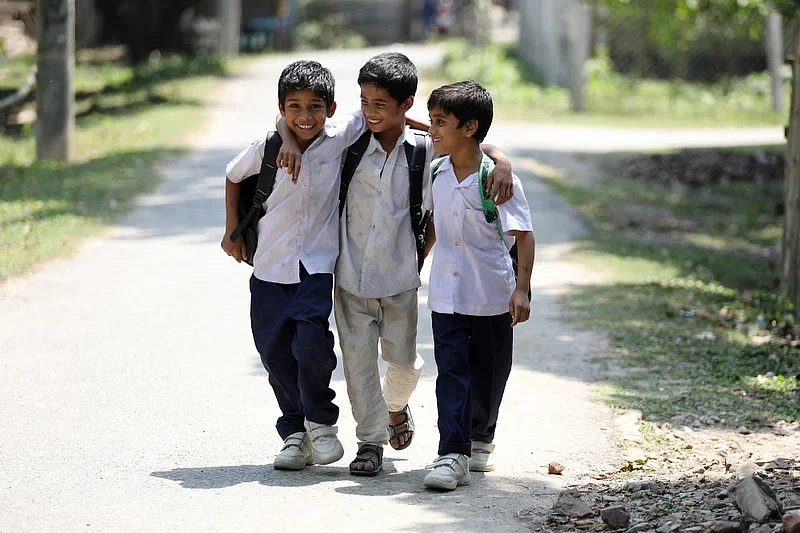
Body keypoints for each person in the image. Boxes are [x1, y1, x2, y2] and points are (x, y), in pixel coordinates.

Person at [276, 53, 515, 476]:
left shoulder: (426, 155)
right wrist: (290, 138)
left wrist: (502, 159)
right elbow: (295, 123)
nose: (369, 111)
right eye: (364, 101)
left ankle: (395, 407)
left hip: (401, 278)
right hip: (350, 277)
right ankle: (370, 443)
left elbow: (467, 154)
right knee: (358, 367)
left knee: (404, 364)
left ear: (406, 104)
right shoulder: (348, 142)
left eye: (379, 104)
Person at [221, 60, 367, 471]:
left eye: (315, 107)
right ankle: (294, 435)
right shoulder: (267, 146)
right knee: (274, 353)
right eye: (295, 107)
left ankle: (320, 422)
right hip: (268, 265)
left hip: (316, 265)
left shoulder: (339, 139)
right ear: (282, 109)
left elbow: (382, 113)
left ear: (332, 109)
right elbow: (233, 175)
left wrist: (487, 151)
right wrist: (231, 229)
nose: (305, 116)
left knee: (311, 344)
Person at [421, 81, 535, 491]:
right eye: (432, 121)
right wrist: (418, 262)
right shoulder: (437, 171)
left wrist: (521, 290)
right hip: (445, 296)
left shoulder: (498, 182)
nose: (433, 130)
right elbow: (433, 224)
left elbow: (523, 236)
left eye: (440, 123)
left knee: (488, 374)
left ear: (469, 127)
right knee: (451, 371)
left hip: (490, 294)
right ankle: (452, 453)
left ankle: (481, 435)